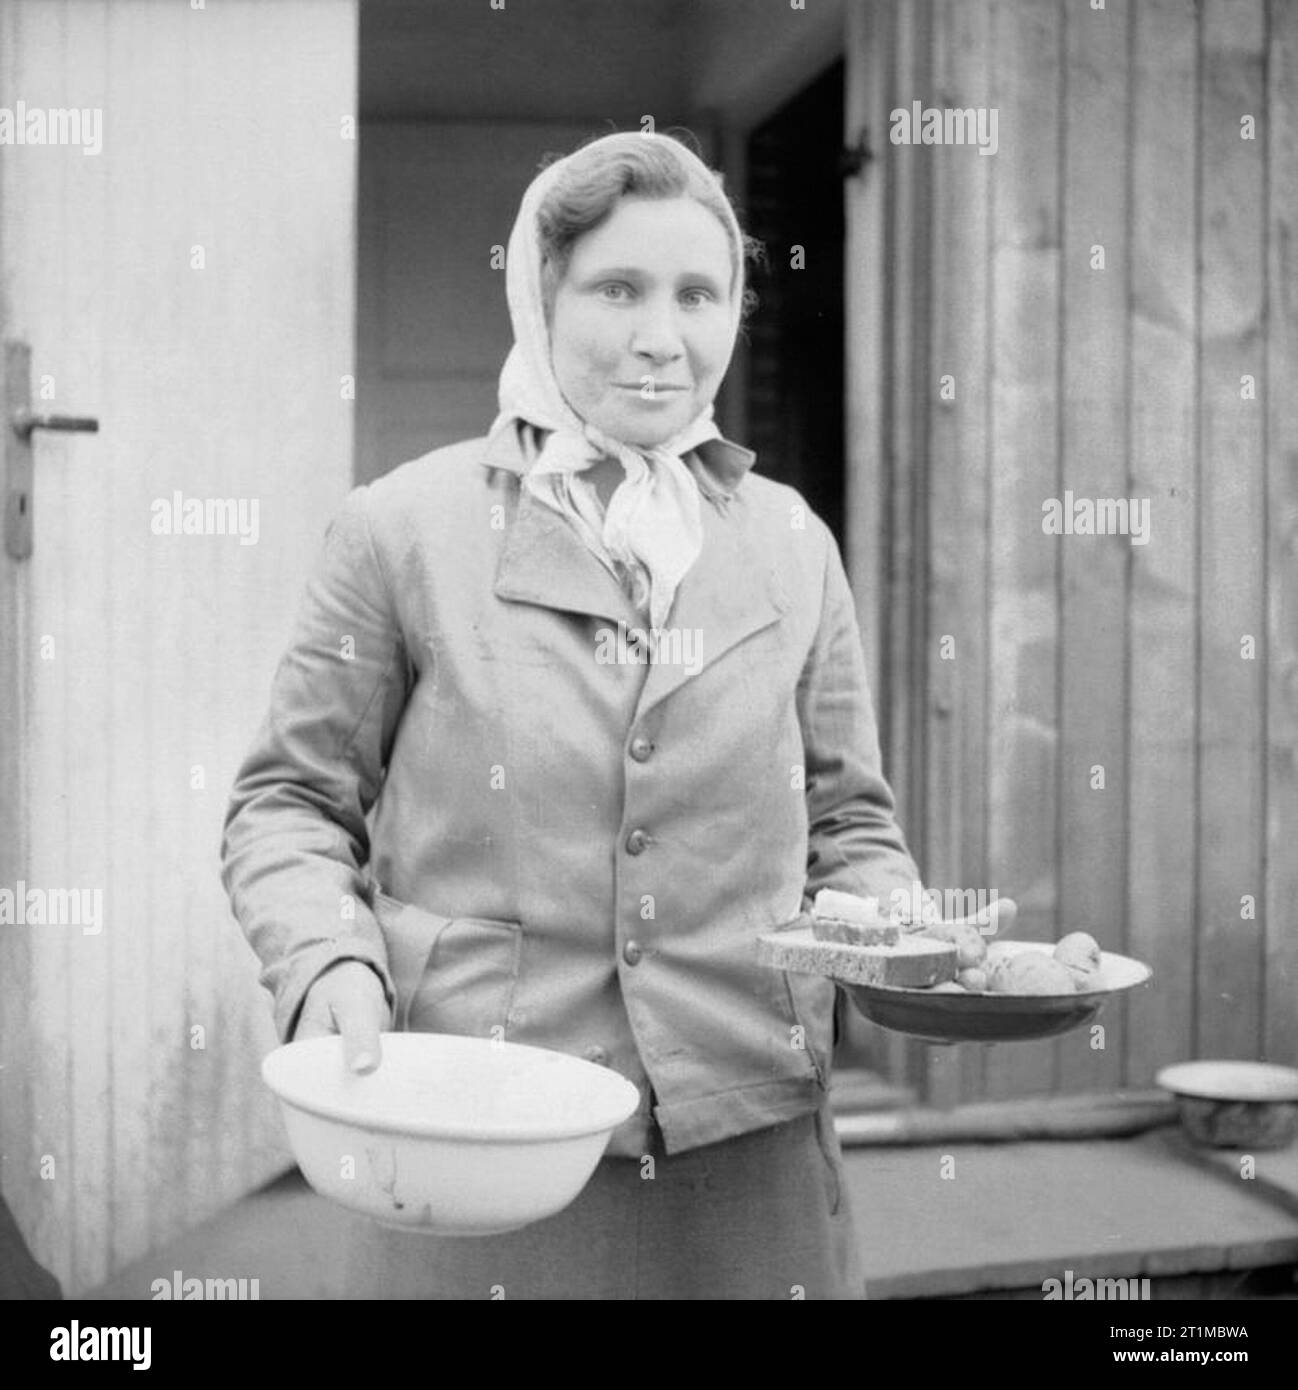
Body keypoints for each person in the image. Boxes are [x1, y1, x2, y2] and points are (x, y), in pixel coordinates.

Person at [220, 129, 924, 1300]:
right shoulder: (404, 530)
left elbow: (852, 821)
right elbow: (288, 805)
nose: (662, 335)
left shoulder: (790, 544)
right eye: (617, 289)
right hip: (472, 1138)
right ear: (541, 300)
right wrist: (325, 961)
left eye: (698, 293)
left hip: (744, 1150)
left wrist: (897, 942)